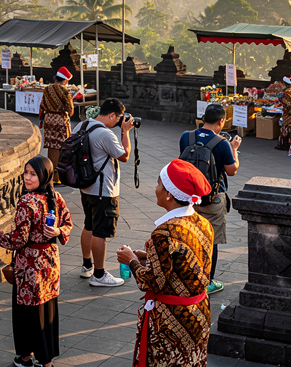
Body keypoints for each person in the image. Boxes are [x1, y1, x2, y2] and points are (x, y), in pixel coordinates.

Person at [117, 160, 214, 367]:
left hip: (171, 319)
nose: (156, 189)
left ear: (169, 194)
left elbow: (151, 283)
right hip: (199, 312)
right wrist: (149, 255)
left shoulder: (164, 233)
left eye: (159, 184)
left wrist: (132, 261)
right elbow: (187, 263)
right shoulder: (204, 223)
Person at [0, 156, 74, 367]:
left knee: (27, 312)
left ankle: (27, 357)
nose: (27, 178)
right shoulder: (55, 196)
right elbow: (68, 222)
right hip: (50, 261)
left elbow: (19, 239)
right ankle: (45, 358)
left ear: (43, 175)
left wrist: (1, 236)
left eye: (33, 173)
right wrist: (58, 231)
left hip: (29, 264)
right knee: (47, 308)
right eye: (26, 172)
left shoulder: (26, 202)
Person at [178, 103, 239, 295]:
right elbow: (232, 170)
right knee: (210, 240)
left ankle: (188, 274)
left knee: (191, 235)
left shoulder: (185, 137)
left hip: (189, 196)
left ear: (203, 119)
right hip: (213, 198)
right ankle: (208, 282)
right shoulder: (222, 143)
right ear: (221, 122)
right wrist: (234, 149)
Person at [74, 98, 135, 287]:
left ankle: (87, 266)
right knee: (100, 232)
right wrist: (125, 132)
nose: (117, 122)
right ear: (111, 115)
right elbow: (124, 156)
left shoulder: (82, 126)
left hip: (86, 186)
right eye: (117, 119)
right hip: (103, 190)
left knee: (89, 225)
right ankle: (99, 275)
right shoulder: (105, 134)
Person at [39, 67, 75, 182]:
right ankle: (59, 177)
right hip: (60, 121)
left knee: (51, 147)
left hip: (49, 121)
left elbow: (42, 105)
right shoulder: (65, 91)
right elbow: (70, 110)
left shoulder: (47, 89)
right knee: (62, 147)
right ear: (65, 80)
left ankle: (51, 174)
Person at [275, 78, 291, 151]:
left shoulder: (287, 92)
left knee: (286, 128)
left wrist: (281, 99)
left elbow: (287, 104)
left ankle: (285, 144)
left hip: (289, 113)